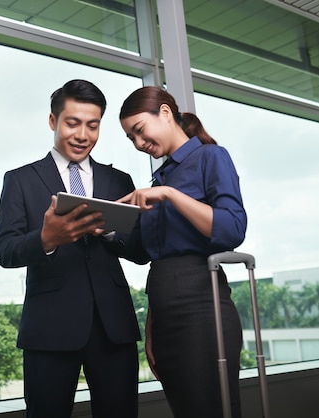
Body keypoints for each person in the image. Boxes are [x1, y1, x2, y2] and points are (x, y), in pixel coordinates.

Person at [0, 79, 148, 418]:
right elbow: (4, 250)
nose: (83, 135)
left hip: (114, 326)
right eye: (73, 123)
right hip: (49, 326)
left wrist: (110, 230)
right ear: (53, 121)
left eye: (92, 125)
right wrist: (47, 238)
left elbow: (142, 250)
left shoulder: (119, 181)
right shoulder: (20, 180)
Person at [117, 86, 247, 418]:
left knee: (213, 410)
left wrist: (170, 195)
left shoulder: (211, 157)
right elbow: (151, 256)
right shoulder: (161, 175)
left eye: (139, 130)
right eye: (131, 138)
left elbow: (232, 229)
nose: (138, 143)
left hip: (201, 305)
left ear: (164, 112)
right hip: (163, 309)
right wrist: (151, 327)